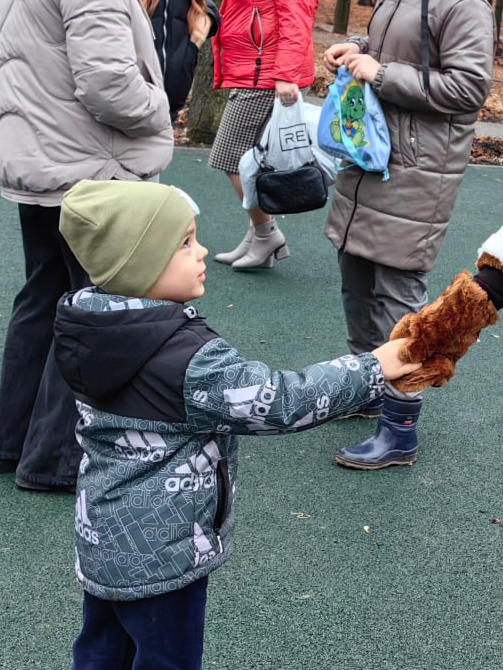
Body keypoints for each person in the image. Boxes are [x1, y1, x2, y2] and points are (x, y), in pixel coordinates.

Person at [53, 179, 418, 670]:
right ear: (139, 266)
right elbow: (280, 401)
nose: (201, 251)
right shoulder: (183, 358)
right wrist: (374, 367)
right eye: (183, 244)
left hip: (102, 534)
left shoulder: (88, 327)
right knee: (168, 658)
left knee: (102, 648)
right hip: (163, 549)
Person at [0, 0, 173, 493]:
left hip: (39, 160)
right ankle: (52, 460)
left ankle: (9, 445)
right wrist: (159, 107)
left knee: (42, 298)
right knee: (88, 311)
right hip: (82, 168)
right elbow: (107, 84)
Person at [324, 0, 495, 469]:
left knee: (397, 297)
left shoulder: (463, 0)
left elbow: (469, 88)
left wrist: (381, 73)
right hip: (373, 159)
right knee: (356, 282)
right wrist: (357, 55)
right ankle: (370, 386)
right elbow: (392, 59)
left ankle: (399, 429)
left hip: (417, 172)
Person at [208, 0, 340, 270]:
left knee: (230, 156)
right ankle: (257, 236)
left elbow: (295, 19)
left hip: (268, 75)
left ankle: (266, 235)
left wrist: (284, 74)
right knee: (250, 157)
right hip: (255, 70)